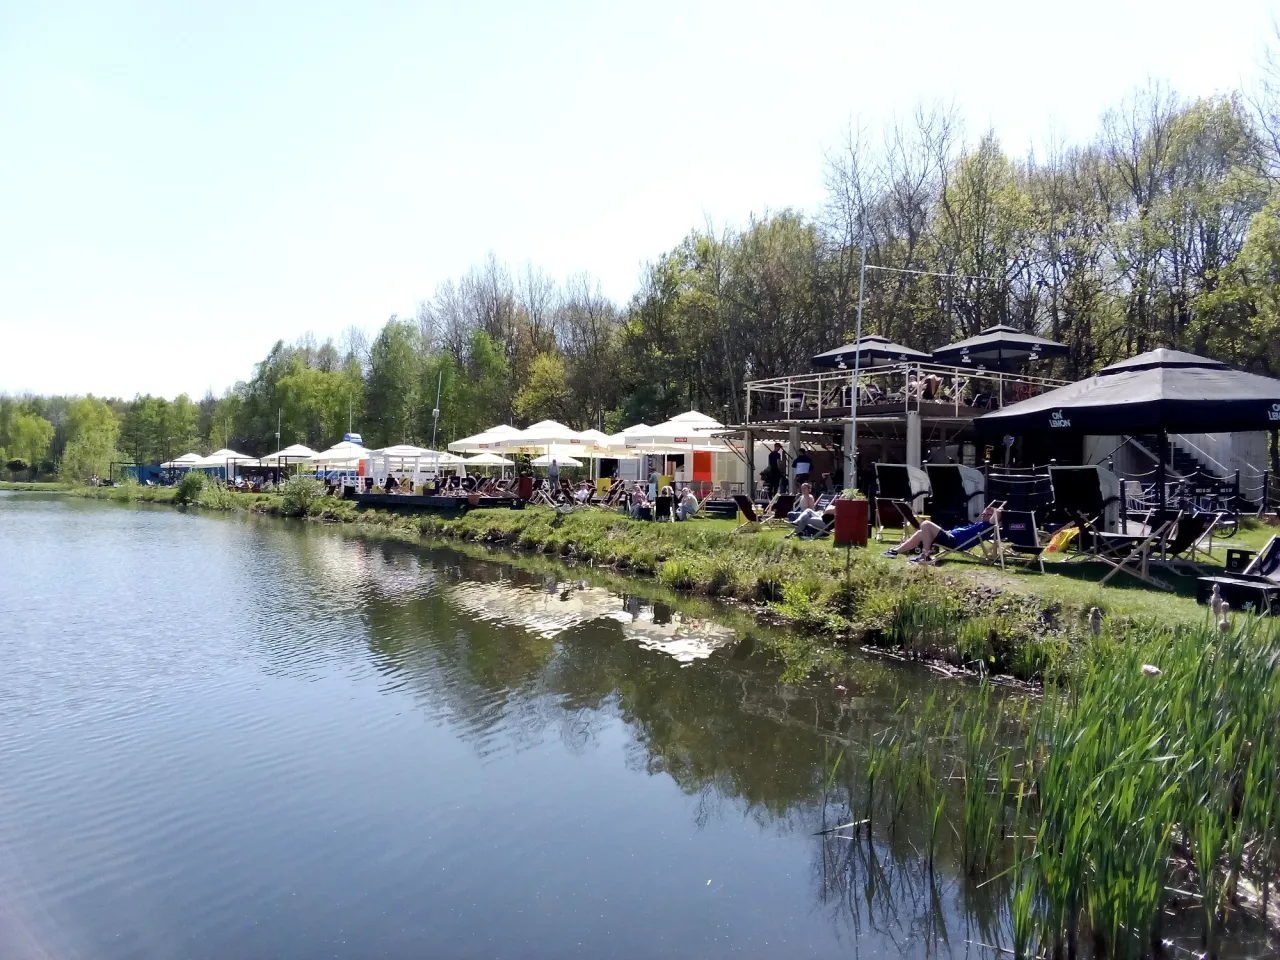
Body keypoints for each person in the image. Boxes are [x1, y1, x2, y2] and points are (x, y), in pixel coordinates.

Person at [883, 504, 1003, 564]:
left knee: (925, 524)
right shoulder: (980, 524)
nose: (982, 516)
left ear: (991, 517)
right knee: (921, 532)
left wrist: (998, 509)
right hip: (950, 536)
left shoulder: (988, 525)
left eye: (985, 514)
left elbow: (998, 513)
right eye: (982, 514)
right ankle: (895, 551)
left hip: (954, 542)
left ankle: (925, 556)